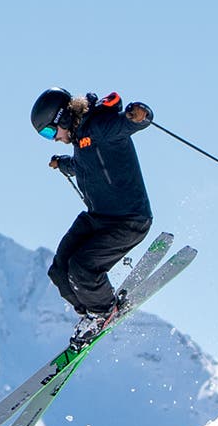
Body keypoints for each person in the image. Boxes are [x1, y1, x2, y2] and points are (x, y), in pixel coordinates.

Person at [30, 87, 155, 347]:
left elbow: (129, 124)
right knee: (60, 270)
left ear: (63, 118)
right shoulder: (81, 139)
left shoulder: (100, 126)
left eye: (50, 132)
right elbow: (83, 164)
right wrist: (62, 164)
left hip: (128, 220)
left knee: (82, 267)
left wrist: (139, 115)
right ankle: (91, 313)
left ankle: (103, 311)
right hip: (99, 217)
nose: (53, 139)